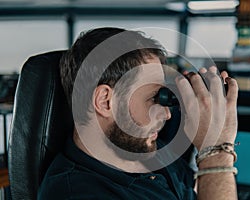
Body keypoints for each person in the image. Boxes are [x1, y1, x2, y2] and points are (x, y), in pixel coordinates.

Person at [38, 27, 239, 199]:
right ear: (105, 101)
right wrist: (215, 151)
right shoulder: (77, 193)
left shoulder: (146, 151)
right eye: (154, 98)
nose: (167, 115)